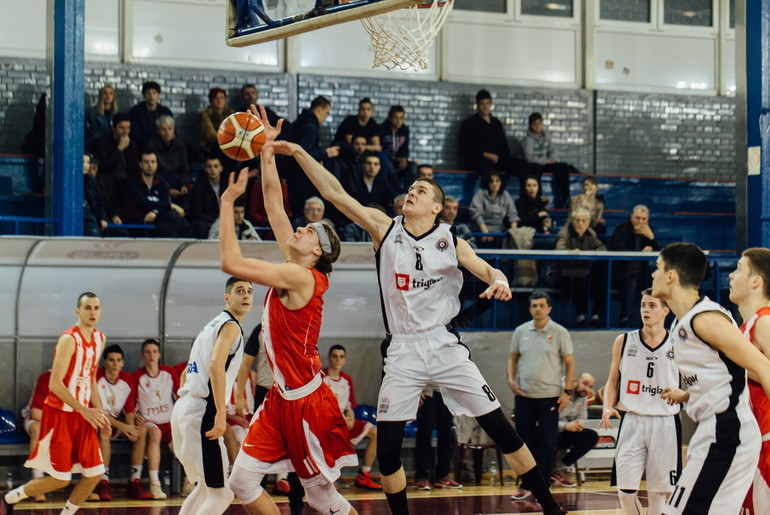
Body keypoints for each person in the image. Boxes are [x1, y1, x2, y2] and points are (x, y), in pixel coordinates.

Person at [269, 135, 566, 515]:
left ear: (437, 207)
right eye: (410, 188)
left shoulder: (451, 239)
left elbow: (485, 267)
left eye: (420, 190)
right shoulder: (384, 229)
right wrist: (297, 151)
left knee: (503, 433)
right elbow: (334, 193)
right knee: (388, 453)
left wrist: (500, 280)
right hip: (402, 349)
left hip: (443, 345)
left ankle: (552, 509)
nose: (411, 192)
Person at [224, 106, 359, 515]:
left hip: (306, 404)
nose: (300, 227)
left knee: (321, 497)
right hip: (281, 399)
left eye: (309, 231)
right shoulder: (295, 263)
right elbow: (273, 204)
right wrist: (265, 149)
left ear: (317, 251)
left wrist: (226, 205)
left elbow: (233, 264)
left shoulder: (302, 278)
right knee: (242, 482)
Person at [654, 243, 770, 514]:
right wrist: (688, 395)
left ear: (671, 275)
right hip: (717, 428)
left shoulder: (707, 319)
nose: (652, 275)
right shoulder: (685, 322)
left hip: (731, 431)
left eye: (658, 268)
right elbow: (729, 377)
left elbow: (764, 368)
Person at [1, 292, 111, 514]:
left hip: (84, 415)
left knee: (95, 473)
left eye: (96, 308)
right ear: (77, 311)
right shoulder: (69, 339)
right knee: (61, 479)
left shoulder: (100, 338)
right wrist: (84, 410)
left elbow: (90, 379)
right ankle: (11, 497)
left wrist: (100, 414)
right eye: (87, 308)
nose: (92, 312)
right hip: (60, 415)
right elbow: (55, 385)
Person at [170, 276, 254, 514]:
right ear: (227, 298)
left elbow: (186, 373)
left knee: (206, 489)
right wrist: (218, 413)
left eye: (249, 291)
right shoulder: (230, 327)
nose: (246, 295)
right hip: (200, 412)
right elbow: (217, 365)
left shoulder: (212, 325)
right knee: (222, 494)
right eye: (240, 291)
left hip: (185, 408)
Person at [599, 288, 681, 515]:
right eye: (643, 305)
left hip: (665, 422)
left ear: (666, 310)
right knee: (625, 491)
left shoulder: (678, 344)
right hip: (632, 420)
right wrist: (607, 406)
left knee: (658, 494)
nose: (646, 309)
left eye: (652, 305)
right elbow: (612, 381)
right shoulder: (624, 341)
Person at [507, 291, 574, 501]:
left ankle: (543, 487)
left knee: (547, 443)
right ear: (530, 309)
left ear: (549, 308)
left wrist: (567, 392)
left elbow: (570, 363)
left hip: (550, 397)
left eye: (542, 305)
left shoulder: (559, 332)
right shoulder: (520, 331)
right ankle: (526, 484)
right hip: (525, 396)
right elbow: (513, 359)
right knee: (523, 444)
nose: (538, 308)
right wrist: (510, 380)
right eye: (534, 305)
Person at [728, 248, 770, 513]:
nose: (731, 275)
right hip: (752, 440)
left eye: (739, 269)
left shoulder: (765, 321)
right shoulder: (745, 326)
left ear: (756, 281)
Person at [323, 345, 383, 490]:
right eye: (335, 356)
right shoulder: (321, 377)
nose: (338, 360)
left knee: (377, 432)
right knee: (330, 435)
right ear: (329, 358)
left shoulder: (346, 380)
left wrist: (350, 418)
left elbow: (350, 407)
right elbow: (319, 408)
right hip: (326, 421)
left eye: (341, 357)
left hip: (343, 421)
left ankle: (364, 475)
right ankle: (328, 478)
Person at [130, 338, 180, 500]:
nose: (151, 355)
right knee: (155, 434)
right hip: (150, 421)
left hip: (170, 421)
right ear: (142, 355)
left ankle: (191, 482)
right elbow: (132, 405)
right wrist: (137, 416)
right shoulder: (137, 376)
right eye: (147, 352)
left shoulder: (169, 372)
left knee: (184, 443)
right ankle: (155, 484)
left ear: (159, 354)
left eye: (154, 351)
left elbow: (180, 398)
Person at [94, 344, 144, 502]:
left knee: (141, 430)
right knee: (104, 429)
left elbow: (129, 410)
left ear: (122, 363)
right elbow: (98, 413)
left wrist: (130, 428)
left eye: (118, 360)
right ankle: (104, 481)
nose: (115, 364)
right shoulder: (96, 377)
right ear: (105, 362)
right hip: (99, 422)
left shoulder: (127, 379)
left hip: (117, 422)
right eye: (111, 360)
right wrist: (123, 426)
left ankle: (134, 481)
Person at [458, 89, 528, 185]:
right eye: (482, 103)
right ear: (477, 105)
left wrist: (501, 158)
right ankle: (489, 197)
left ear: (491, 103)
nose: (485, 107)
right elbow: (466, 147)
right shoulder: (469, 124)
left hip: (498, 160)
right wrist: (486, 155)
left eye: (487, 103)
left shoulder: (496, 123)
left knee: (521, 164)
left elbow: (504, 145)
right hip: (479, 161)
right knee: (486, 167)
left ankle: (526, 196)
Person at [554, 208, 607, 328]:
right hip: (561, 274)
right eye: (577, 220)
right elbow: (559, 250)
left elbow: (602, 248)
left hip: (585, 272)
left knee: (601, 280)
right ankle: (580, 317)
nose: (580, 223)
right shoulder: (564, 233)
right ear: (572, 221)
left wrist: (589, 254)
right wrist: (571, 252)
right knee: (577, 281)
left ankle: (595, 316)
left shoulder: (591, 234)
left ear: (588, 222)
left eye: (583, 220)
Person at [610, 205, 661, 327]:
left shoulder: (649, 230)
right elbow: (619, 249)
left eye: (644, 219)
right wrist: (639, 253)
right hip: (621, 272)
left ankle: (654, 319)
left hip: (642, 272)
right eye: (638, 218)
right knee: (630, 281)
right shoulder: (621, 229)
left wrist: (651, 238)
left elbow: (659, 250)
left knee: (657, 282)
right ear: (631, 217)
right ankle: (625, 317)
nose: (641, 222)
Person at [121, 151, 193, 238]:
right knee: (168, 218)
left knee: (181, 222)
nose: (150, 165)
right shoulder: (131, 183)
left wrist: (155, 212)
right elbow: (144, 203)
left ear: (157, 164)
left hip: (157, 218)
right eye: (146, 162)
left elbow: (164, 202)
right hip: (137, 220)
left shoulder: (162, 183)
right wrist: (171, 206)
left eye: (153, 162)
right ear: (140, 164)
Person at [522, 112, 579, 209]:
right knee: (535, 169)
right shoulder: (528, 140)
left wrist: (552, 159)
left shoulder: (547, 137)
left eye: (539, 123)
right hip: (535, 165)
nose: (537, 126)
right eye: (535, 124)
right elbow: (529, 158)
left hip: (546, 163)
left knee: (563, 167)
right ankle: (537, 200)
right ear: (530, 125)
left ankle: (565, 199)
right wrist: (545, 161)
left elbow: (553, 151)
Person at [552, 373, 598, 488]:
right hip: (545, 431)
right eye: (585, 384)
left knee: (591, 436)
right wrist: (565, 426)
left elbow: (582, 417)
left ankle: (561, 468)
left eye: (590, 387)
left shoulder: (583, 397)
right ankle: (546, 471)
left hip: (565, 431)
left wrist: (579, 424)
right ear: (574, 381)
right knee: (550, 435)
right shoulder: (556, 391)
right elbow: (544, 420)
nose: (587, 389)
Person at [414, 386, 459, 490]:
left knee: (447, 435)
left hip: (446, 393)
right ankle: (422, 476)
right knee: (424, 434)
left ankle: (443, 475)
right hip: (427, 392)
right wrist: (417, 390)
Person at [145, 115, 192, 211]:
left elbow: (185, 169)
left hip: (177, 180)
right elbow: (153, 172)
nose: (167, 132)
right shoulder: (151, 146)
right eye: (163, 129)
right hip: (160, 180)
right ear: (158, 131)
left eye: (170, 129)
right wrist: (168, 190)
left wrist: (184, 184)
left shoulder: (180, 146)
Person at [19, 370, 52, 503]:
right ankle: (37, 482)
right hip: (37, 419)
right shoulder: (46, 378)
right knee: (38, 430)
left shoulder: (78, 379)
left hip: (60, 422)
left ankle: (91, 485)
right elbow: (37, 414)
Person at [469, 171, 519, 246]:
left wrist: (514, 233)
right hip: (481, 229)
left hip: (499, 231)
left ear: (501, 182)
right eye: (491, 181)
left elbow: (513, 215)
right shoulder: (481, 194)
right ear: (487, 183)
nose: (494, 184)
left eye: (497, 181)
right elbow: (475, 212)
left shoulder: (505, 195)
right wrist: (485, 232)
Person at [379, 105, 415, 192]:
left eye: (401, 118)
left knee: (412, 166)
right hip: (386, 159)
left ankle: (407, 192)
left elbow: (405, 147)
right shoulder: (381, 128)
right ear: (390, 117)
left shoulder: (405, 130)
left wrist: (404, 159)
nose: (398, 121)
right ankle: (398, 192)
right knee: (390, 167)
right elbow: (380, 148)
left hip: (398, 159)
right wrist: (392, 158)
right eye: (395, 117)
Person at [128, 81, 173, 150]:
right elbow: (134, 134)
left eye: (154, 93)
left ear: (158, 95)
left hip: (162, 147)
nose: (151, 96)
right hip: (142, 148)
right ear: (144, 96)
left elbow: (172, 132)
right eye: (148, 93)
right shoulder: (135, 112)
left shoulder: (165, 111)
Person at [189, 156, 224, 238]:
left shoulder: (227, 186)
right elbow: (197, 213)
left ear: (221, 168)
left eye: (215, 166)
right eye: (209, 166)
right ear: (205, 169)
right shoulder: (199, 188)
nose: (212, 169)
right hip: (209, 223)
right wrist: (216, 220)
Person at [199, 87, 235, 160]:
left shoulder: (231, 113)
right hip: (211, 146)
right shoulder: (206, 114)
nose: (219, 101)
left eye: (222, 98)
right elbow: (209, 134)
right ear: (211, 100)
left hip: (229, 145)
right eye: (216, 98)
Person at [85, 85, 117, 152]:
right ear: (101, 96)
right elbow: (93, 133)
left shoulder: (116, 113)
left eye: (111, 93)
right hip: (97, 145)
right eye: (105, 93)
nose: (108, 96)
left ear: (113, 97)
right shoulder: (92, 113)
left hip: (113, 145)